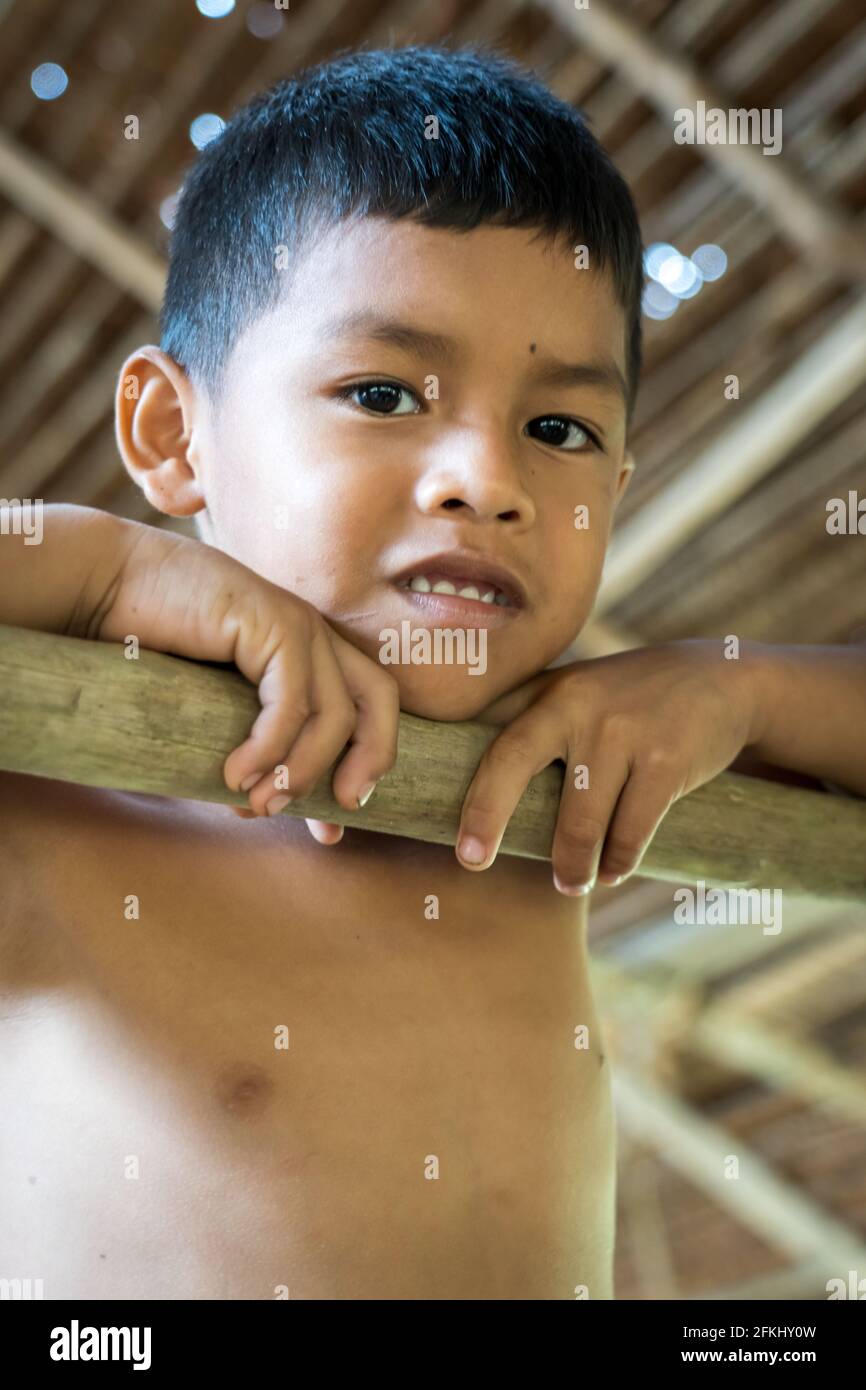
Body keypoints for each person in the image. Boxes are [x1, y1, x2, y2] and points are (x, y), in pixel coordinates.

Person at [2, 45, 864, 1301]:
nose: (488, 479)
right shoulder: (46, 798)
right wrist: (102, 575)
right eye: (380, 391)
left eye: (558, 429)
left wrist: (739, 689)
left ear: (615, 488)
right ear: (169, 434)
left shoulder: (567, 751)